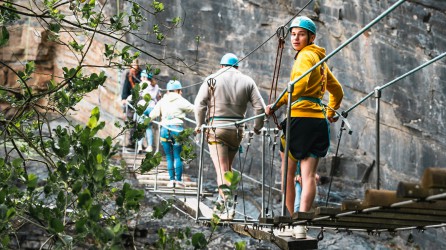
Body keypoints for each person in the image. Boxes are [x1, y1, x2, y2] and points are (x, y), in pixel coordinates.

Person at [265, 16, 344, 238]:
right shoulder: (320, 61)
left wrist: (276, 104)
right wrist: (329, 113)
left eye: (300, 34)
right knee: (308, 176)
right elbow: (337, 91)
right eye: (293, 34)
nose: (295, 38)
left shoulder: (305, 57)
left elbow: (297, 85)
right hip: (318, 122)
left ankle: (291, 220)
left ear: (311, 37)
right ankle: (302, 224)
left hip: (299, 119)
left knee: (288, 174)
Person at [194, 53, 266, 219]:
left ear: (221, 66)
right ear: (237, 67)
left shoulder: (212, 79)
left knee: (221, 169)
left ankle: (227, 207)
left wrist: (199, 124)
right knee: (226, 169)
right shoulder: (247, 81)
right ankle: (222, 202)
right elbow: (260, 108)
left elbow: (199, 105)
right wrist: (257, 128)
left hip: (216, 128)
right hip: (237, 130)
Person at [149, 80, 194, 187]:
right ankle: (178, 181)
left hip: (164, 129)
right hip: (177, 129)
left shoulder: (162, 101)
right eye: (180, 90)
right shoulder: (181, 100)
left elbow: (152, 115)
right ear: (178, 90)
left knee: (169, 157)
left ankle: (171, 180)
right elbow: (194, 109)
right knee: (178, 156)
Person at [137, 70, 161, 153]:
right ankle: (150, 146)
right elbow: (158, 97)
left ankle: (139, 146)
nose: (140, 78)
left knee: (141, 127)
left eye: (142, 76)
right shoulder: (156, 86)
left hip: (143, 106)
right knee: (149, 127)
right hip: (152, 107)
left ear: (145, 77)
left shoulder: (142, 84)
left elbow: (138, 94)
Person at [121, 60, 141, 149]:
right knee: (130, 121)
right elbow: (125, 86)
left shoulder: (141, 74)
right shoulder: (128, 74)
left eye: (135, 64)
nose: (133, 66)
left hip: (139, 100)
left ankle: (139, 143)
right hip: (130, 101)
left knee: (139, 122)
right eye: (132, 64)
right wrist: (124, 98)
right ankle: (131, 141)